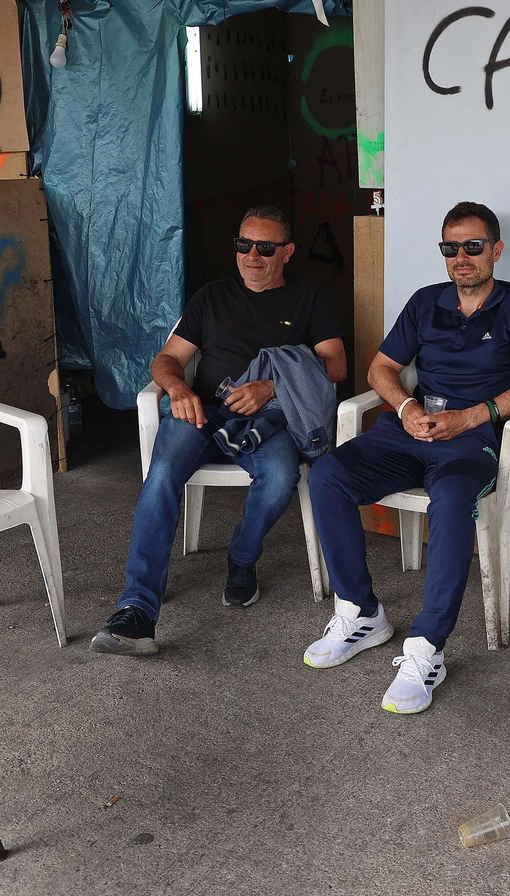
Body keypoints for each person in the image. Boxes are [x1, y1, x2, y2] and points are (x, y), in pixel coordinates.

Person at [304, 201, 510, 714]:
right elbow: (380, 369)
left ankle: (426, 648)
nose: (461, 256)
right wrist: (406, 406)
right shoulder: (424, 302)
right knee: (327, 474)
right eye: (451, 247)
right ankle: (362, 612)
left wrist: (467, 418)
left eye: (473, 246)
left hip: (470, 442)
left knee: (451, 500)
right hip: (408, 433)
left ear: (496, 251)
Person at [92, 205, 348, 656]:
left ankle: (243, 558)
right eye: (243, 245)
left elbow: (336, 366)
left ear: (286, 252)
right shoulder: (211, 297)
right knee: (162, 474)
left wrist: (271, 387)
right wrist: (177, 389)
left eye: (265, 247)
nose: (252, 255)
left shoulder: (310, 296)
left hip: (269, 420)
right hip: (204, 412)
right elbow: (166, 359)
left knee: (280, 480)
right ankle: (136, 611)